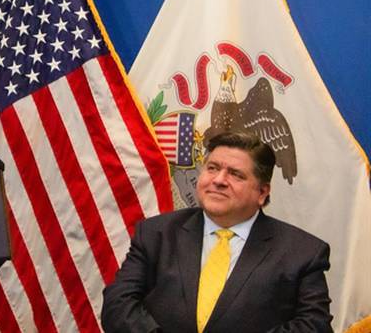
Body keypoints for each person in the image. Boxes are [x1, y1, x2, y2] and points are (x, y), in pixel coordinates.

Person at [101, 131, 332, 333]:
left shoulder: (303, 253)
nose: (219, 180)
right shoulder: (156, 233)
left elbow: (314, 325)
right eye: (212, 168)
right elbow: (117, 304)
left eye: (236, 174)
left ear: (262, 192)